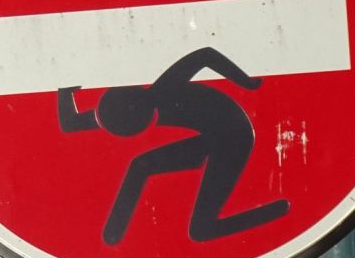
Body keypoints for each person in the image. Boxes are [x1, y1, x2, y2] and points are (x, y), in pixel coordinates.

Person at [57, 46, 288, 244]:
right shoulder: (117, 114)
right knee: (140, 165)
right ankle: (111, 237)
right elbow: (71, 124)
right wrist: (63, 88)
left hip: (234, 137)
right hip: (208, 137)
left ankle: (277, 211)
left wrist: (248, 83)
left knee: (200, 230)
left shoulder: (165, 88)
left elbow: (205, 55)